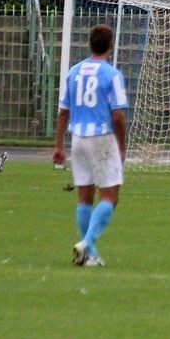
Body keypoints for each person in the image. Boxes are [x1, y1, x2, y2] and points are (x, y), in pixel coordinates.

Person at [53, 23, 128, 268]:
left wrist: (58, 146)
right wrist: (122, 146)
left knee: (84, 197)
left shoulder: (73, 72)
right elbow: (117, 116)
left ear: (89, 44)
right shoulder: (112, 75)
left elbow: (63, 112)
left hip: (78, 140)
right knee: (110, 196)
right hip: (101, 138)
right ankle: (86, 243)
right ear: (111, 45)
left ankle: (90, 255)